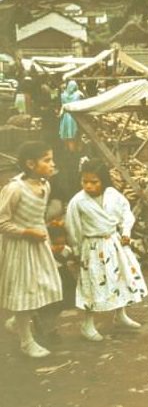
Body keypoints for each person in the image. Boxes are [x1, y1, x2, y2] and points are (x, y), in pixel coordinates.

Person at [65, 159, 147, 342]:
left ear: (103, 180)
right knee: (93, 284)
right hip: (92, 248)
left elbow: (126, 213)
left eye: (94, 182)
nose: (88, 186)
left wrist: (125, 232)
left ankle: (121, 314)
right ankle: (88, 323)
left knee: (120, 278)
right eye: (84, 181)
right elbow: (73, 228)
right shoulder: (77, 202)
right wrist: (77, 251)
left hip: (113, 244)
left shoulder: (113, 195)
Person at [0, 141, 63, 358]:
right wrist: (27, 233)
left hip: (38, 246)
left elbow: (38, 216)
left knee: (42, 287)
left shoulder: (45, 186)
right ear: (30, 164)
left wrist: (41, 233)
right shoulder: (15, 189)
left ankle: (18, 321)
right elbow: (2, 222)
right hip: (21, 247)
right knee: (24, 292)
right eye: (47, 160)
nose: (52, 164)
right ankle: (26, 340)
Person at [59, 80, 83, 152]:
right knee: (75, 136)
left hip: (65, 116)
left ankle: (67, 151)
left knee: (67, 136)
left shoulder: (63, 95)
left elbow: (62, 104)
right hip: (74, 116)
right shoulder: (78, 95)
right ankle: (74, 152)